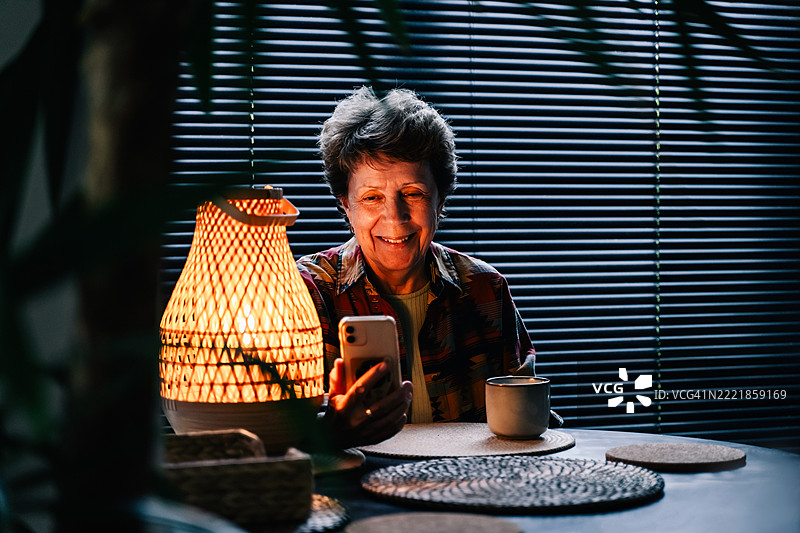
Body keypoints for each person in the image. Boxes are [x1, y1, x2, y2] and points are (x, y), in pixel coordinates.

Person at [297, 86, 536, 449]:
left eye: (413, 193)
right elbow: (275, 436)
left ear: (440, 199)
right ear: (346, 205)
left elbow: (527, 422)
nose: (394, 218)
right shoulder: (303, 292)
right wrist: (330, 433)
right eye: (372, 197)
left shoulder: (485, 288)